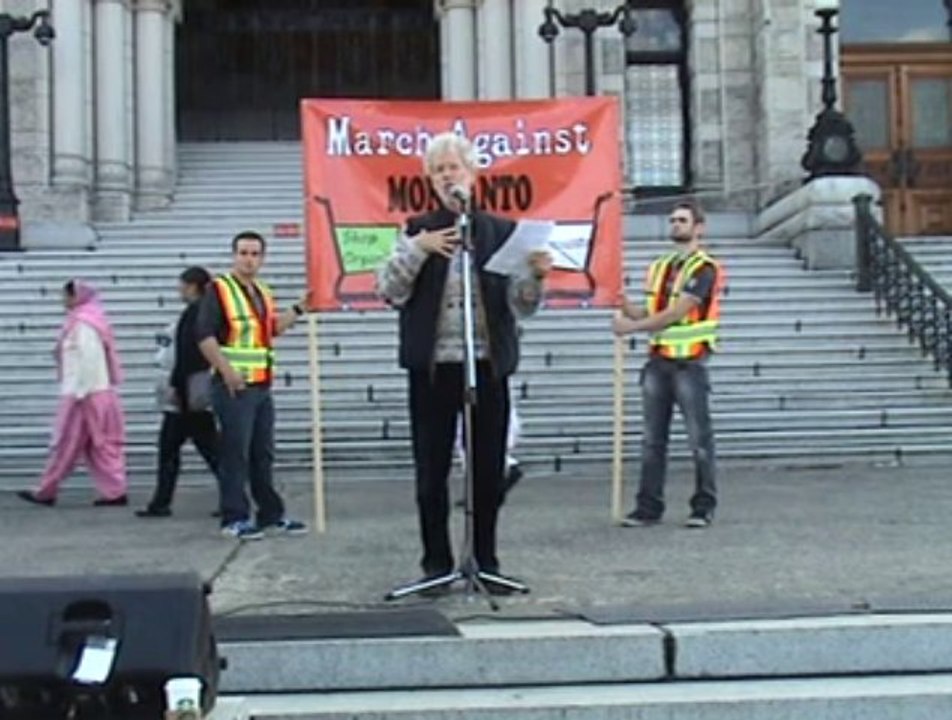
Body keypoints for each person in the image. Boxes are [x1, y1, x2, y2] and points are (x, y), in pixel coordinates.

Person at [376, 131, 552, 591]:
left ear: (473, 174)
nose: (446, 176)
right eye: (437, 170)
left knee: (487, 467)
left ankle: (486, 560)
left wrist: (534, 275)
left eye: (453, 167)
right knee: (432, 468)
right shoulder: (417, 227)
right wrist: (418, 250)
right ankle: (436, 564)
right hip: (434, 367)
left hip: (487, 365)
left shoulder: (500, 230)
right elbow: (389, 291)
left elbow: (523, 305)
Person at [612, 200, 724, 528]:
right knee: (651, 440)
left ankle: (703, 507)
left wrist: (630, 328)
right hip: (659, 361)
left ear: (698, 227)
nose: (675, 225)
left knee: (699, 440)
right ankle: (648, 507)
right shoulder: (661, 267)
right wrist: (624, 305)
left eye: (682, 220)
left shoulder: (705, 268)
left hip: (690, 362)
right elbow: (651, 312)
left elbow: (678, 312)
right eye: (673, 220)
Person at [196, 230, 309, 540]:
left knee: (262, 452)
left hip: (260, 385)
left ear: (262, 258)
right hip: (234, 386)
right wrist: (227, 371)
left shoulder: (262, 290)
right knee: (236, 453)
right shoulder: (219, 289)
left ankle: (270, 514)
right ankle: (234, 517)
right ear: (234, 256)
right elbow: (204, 336)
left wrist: (300, 308)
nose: (248, 259)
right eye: (243, 253)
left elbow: (271, 330)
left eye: (254, 254)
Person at [18, 280, 128, 507]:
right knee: (101, 445)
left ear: (75, 297)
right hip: (95, 392)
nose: (62, 300)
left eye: (65, 296)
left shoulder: (83, 324)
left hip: (83, 395)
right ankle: (115, 490)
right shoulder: (88, 321)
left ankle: (46, 491)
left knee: (67, 444)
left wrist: (80, 393)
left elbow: (88, 359)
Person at [137, 267, 221, 518]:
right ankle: (161, 502)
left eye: (183, 285)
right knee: (203, 450)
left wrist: (177, 387)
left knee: (184, 450)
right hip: (193, 393)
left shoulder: (195, 315)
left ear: (194, 286)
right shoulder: (204, 313)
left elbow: (188, 356)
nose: (180, 290)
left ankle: (162, 503)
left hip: (189, 395)